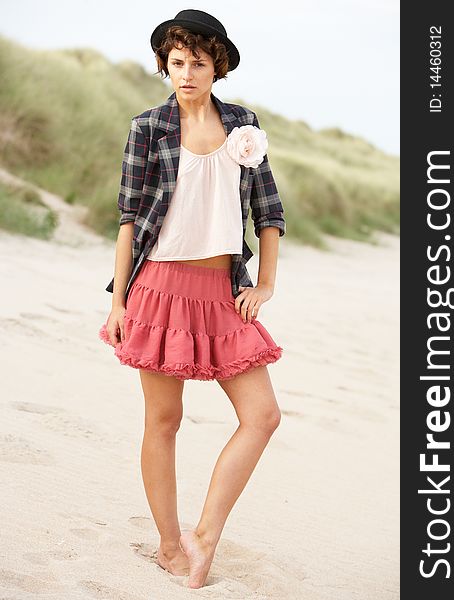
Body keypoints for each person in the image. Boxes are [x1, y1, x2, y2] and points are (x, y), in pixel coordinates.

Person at [98, 9, 286, 589]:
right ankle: (167, 543)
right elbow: (129, 219)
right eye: (176, 62)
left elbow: (269, 213)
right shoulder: (148, 127)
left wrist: (266, 285)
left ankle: (205, 535)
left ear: (216, 66)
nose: (185, 73)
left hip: (222, 294)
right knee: (164, 419)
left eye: (197, 63)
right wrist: (119, 302)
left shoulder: (243, 127)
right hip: (158, 288)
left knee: (262, 416)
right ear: (165, 65)